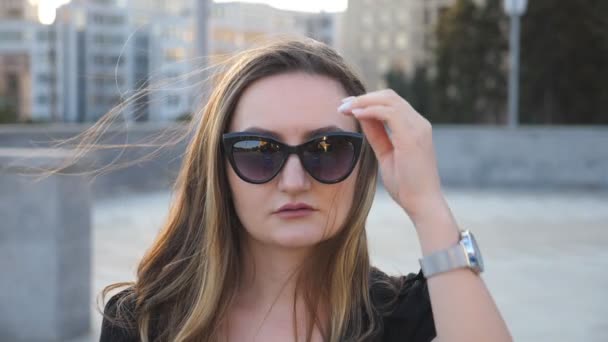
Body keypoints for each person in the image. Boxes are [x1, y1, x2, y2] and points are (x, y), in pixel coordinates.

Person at [99, 38, 512, 342]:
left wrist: (427, 206)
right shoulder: (144, 321)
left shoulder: (404, 316)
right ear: (218, 170)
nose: (294, 181)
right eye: (258, 151)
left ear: (361, 165)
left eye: (327, 150)